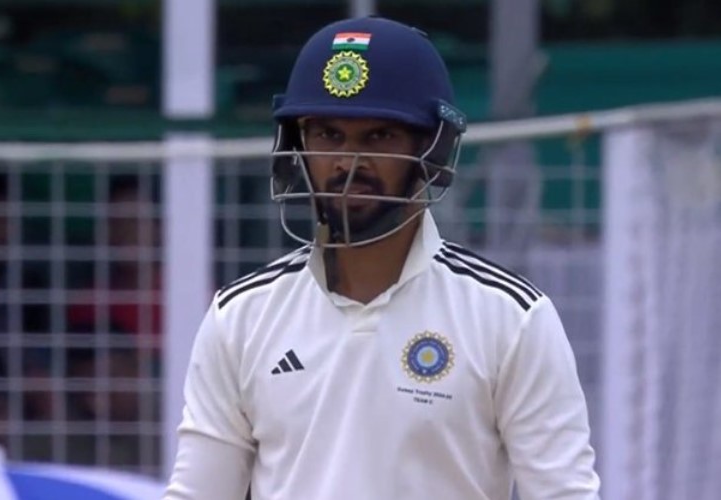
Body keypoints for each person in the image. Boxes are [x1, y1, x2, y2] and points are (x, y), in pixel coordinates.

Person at [164, 16, 600, 500]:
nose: (349, 162)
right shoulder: (242, 316)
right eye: (328, 134)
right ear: (296, 146)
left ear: (433, 148)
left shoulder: (509, 317)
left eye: (379, 136)